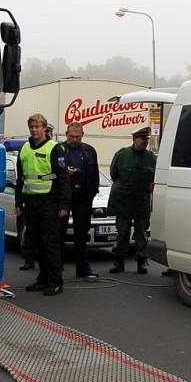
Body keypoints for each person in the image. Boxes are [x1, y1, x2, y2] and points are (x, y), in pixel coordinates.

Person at [15, 114, 71, 296]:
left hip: (50, 201)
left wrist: (64, 205)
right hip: (31, 202)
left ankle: (55, 282)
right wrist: (18, 202)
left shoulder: (54, 148)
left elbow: (63, 178)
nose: (34, 130)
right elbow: (20, 179)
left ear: (44, 128)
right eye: (31, 126)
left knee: (50, 244)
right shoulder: (24, 149)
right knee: (36, 243)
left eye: (37, 127)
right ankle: (43, 279)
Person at [107, 126, 157, 275]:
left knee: (141, 233)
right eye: (142, 139)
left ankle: (141, 262)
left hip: (141, 200)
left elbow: (153, 179)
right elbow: (113, 174)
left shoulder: (151, 158)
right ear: (134, 139)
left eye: (146, 140)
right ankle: (118, 261)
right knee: (122, 232)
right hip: (123, 200)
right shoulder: (122, 155)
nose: (144, 143)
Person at [59, 121, 100, 279]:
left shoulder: (89, 151)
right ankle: (57, 267)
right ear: (66, 135)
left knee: (81, 234)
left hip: (83, 196)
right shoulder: (59, 149)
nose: (74, 140)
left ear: (82, 135)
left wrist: (92, 193)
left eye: (77, 137)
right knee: (59, 232)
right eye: (71, 137)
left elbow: (94, 173)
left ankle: (83, 268)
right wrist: (65, 173)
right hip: (64, 196)